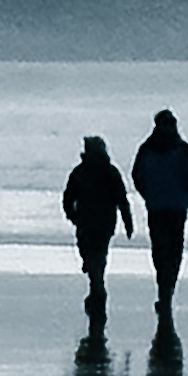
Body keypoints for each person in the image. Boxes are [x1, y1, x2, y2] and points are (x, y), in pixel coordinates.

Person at [130, 109, 188, 313]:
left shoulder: (181, 149)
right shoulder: (151, 149)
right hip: (161, 205)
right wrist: (150, 195)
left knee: (172, 249)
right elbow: (137, 175)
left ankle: (167, 289)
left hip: (174, 205)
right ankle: (165, 287)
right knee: (162, 249)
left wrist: (185, 194)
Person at [60, 133, 133, 317]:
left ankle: (97, 288)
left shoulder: (93, 171)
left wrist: (72, 215)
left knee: (93, 253)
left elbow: (121, 199)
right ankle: (96, 281)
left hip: (92, 221)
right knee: (94, 253)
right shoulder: (95, 171)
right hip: (97, 221)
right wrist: (127, 222)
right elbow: (68, 198)